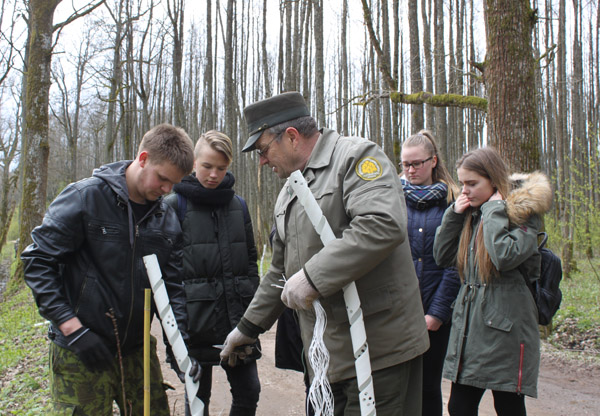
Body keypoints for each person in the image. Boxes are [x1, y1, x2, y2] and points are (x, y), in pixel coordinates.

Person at [220, 91, 430, 415]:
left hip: (379, 354)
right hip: (327, 361)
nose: (261, 162)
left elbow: (382, 224)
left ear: (291, 137)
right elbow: (279, 274)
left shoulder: (355, 158)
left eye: (263, 150)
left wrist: (312, 277)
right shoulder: (289, 192)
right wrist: (246, 329)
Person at [21, 123, 199, 415]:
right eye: (163, 179)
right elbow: (38, 262)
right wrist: (72, 329)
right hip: (79, 351)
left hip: (137, 351)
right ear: (142, 159)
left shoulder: (166, 218)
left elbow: (172, 289)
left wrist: (181, 353)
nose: (167, 190)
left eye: (174, 184)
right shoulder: (84, 198)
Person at [433, 147, 552, 416]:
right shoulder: (471, 213)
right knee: (459, 406)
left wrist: (495, 210)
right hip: (470, 326)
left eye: (472, 183)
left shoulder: (523, 212)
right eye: (462, 183)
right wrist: (453, 214)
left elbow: (503, 257)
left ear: (494, 181)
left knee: (508, 405)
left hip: (507, 327)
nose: (465, 190)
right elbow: (441, 256)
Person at [164, 130, 261, 416]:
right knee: (197, 397)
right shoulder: (174, 205)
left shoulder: (238, 206)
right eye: (207, 166)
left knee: (249, 392)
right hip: (195, 325)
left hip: (236, 321)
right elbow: (166, 273)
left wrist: (250, 309)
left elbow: (251, 261)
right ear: (194, 162)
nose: (213, 175)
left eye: (221, 168)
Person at [400, 130, 461, 416]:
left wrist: (437, 314)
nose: (411, 170)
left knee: (427, 389)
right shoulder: (392, 199)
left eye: (417, 163)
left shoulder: (454, 202)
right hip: (397, 312)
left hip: (434, 315)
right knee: (395, 389)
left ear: (433, 161)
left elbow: (456, 264)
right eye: (405, 164)